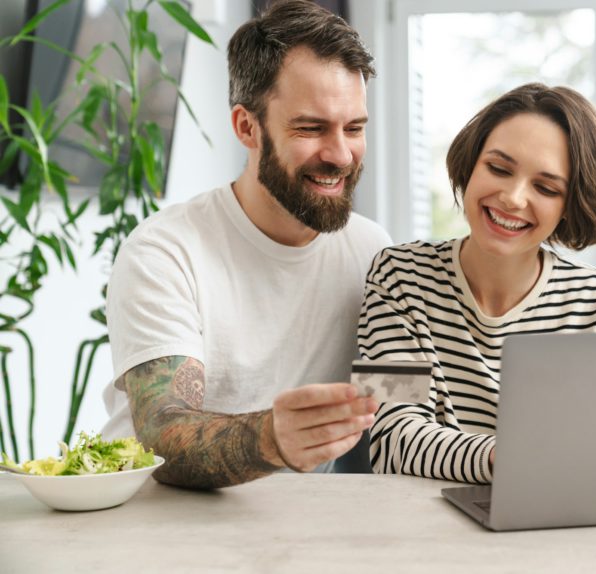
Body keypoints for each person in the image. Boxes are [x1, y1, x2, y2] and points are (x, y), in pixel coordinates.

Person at [101, 0, 391, 489]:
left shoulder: (370, 250)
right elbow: (161, 432)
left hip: (289, 532)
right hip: (154, 525)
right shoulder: (166, 251)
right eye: (310, 128)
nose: (340, 154)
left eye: (354, 128)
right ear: (246, 127)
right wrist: (271, 438)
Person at [358, 83, 596, 484]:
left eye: (546, 188)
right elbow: (390, 440)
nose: (512, 198)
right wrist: (506, 458)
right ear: (471, 165)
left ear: (569, 205)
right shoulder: (398, 276)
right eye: (499, 169)